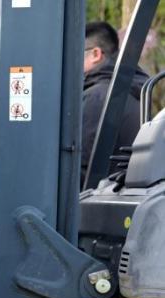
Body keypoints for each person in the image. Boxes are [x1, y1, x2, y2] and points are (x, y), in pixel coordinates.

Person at [81, 21, 147, 187]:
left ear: (95, 54)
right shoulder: (136, 94)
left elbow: (81, 169)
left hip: (98, 197)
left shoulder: (96, 98)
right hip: (123, 193)